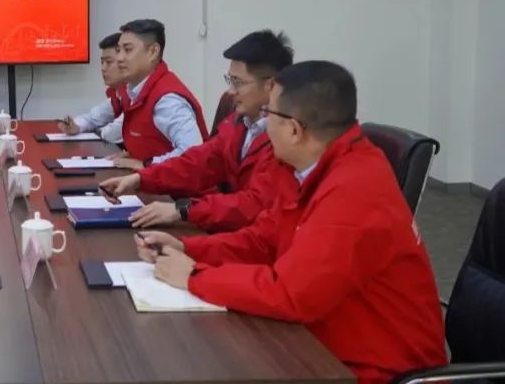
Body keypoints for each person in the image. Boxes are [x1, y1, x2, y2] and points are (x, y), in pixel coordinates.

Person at [133, 61, 447, 382]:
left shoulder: (354, 188)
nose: (263, 123)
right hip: (320, 340)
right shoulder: (304, 168)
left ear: (295, 130)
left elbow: (291, 295)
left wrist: (195, 276)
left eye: (268, 113)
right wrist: (187, 248)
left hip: (376, 369)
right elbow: (262, 240)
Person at [100, 30, 293, 232]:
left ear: (271, 85)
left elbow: (253, 205)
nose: (231, 91)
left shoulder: (286, 138)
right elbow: (198, 162)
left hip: (256, 239)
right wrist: (141, 179)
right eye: (230, 80)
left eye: (238, 82)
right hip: (232, 231)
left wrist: (184, 210)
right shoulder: (239, 123)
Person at [107, 19, 208, 169]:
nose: (119, 58)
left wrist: (144, 163)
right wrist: (136, 155)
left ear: (153, 52)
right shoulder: (134, 91)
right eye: (118, 51)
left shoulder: (167, 100)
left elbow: (193, 153)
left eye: (127, 50)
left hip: (179, 184)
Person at [57, 32, 125, 144]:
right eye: (102, 62)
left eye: (109, 62)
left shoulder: (136, 94)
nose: (103, 68)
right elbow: (92, 118)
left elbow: (114, 132)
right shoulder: (118, 94)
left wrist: (97, 131)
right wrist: (76, 127)